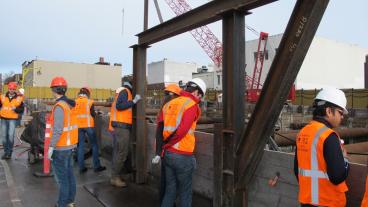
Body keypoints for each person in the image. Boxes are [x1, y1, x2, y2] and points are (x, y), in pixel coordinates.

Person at [294, 87, 349, 207]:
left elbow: (297, 170)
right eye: (340, 112)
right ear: (329, 111)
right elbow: (337, 176)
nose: (342, 117)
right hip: (329, 202)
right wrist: (345, 159)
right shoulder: (329, 136)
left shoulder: (303, 133)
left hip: (307, 201)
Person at [160, 78, 206, 207]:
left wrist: (164, 146)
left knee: (170, 191)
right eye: (200, 96)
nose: (200, 99)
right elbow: (182, 131)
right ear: (196, 92)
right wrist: (168, 144)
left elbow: (161, 127)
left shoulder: (169, 104)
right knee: (185, 193)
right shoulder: (191, 105)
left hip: (168, 154)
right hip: (182, 155)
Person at [47, 77, 78, 207]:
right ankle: (70, 201)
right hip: (70, 146)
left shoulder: (59, 106)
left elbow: (58, 130)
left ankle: (62, 204)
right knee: (69, 176)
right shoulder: (69, 105)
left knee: (62, 179)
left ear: (54, 90)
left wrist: (51, 147)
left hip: (61, 148)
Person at [151, 83, 182, 205]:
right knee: (169, 182)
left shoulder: (164, 109)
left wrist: (158, 152)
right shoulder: (171, 109)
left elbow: (159, 132)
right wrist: (159, 152)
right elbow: (160, 132)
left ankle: (164, 202)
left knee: (166, 181)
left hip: (166, 151)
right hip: (171, 151)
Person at [108, 81, 141, 187]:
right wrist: (134, 101)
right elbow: (119, 106)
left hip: (120, 126)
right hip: (121, 126)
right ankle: (114, 177)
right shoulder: (125, 91)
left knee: (119, 152)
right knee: (122, 153)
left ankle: (115, 175)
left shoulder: (122, 91)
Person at [75, 87, 106, 174]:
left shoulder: (75, 102)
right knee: (94, 145)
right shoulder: (89, 102)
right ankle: (96, 166)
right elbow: (92, 114)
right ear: (87, 94)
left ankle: (81, 167)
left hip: (78, 126)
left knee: (80, 146)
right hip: (88, 126)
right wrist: (97, 113)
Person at [0, 82, 24, 159]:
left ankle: (9, 153)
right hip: (3, 119)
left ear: (15, 89)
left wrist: (16, 109)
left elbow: (21, 110)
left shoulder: (19, 98)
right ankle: (6, 152)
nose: (11, 90)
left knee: (10, 136)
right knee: (4, 136)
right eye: (10, 89)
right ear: (8, 88)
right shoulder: (2, 97)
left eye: (13, 89)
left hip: (12, 120)